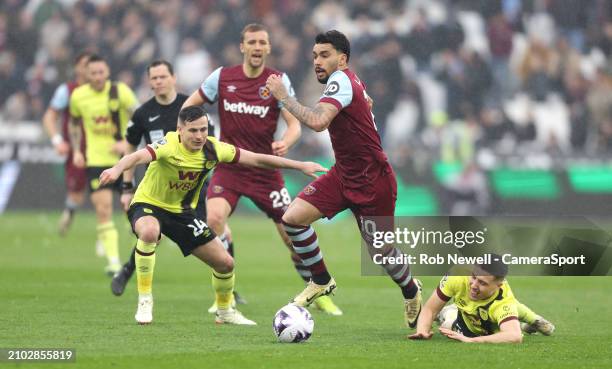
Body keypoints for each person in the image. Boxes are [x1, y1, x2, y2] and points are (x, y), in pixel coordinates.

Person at [98, 105, 328, 325]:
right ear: (180, 130)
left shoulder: (213, 148)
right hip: (148, 204)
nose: (199, 136)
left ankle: (225, 311)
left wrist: (299, 165)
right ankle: (145, 299)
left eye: (203, 129)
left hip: (181, 214)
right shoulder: (168, 144)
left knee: (225, 263)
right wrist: (117, 169)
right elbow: (137, 156)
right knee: (149, 231)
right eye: (193, 131)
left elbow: (257, 159)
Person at [265, 30, 422, 328]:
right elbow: (365, 104)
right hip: (344, 173)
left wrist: (284, 98)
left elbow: (318, 122)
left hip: (373, 180)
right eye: (314, 56)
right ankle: (321, 280)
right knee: (293, 218)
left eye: (325, 55)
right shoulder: (350, 81)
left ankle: (411, 291)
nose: (317, 62)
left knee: (381, 252)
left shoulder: (341, 80)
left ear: (342, 59)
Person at [182, 23, 342, 315]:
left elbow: (294, 125)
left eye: (262, 42)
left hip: (265, 171)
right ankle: (226, 296)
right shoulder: (222, 77)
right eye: (252, 42)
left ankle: (316, 289)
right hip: (229, 167)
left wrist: (286, 141)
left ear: (268, 48)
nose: (257, 47)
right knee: (214, 218)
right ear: (243, 46)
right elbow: (189, 108)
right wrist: (197, 136)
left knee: (290, 234)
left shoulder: (277, 81)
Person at [109, 60, 241, 299]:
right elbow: (131, 147)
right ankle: (128, 270)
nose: (158, 82)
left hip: (193, 187)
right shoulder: (143, 113)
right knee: (152, 234)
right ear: (149, 82)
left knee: (219, 230)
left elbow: (210, 148)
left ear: (173, 78)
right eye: (154, 78)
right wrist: (126, 187)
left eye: (163, 77)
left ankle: (230, 291)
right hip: (160, 187)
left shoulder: (190, 108)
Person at [69, 54, 139, 275]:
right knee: (103, 209)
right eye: (93, 73)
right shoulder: (78, 96)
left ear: (107, 72)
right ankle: (114, 262)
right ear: (86, 75)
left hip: (123, 160)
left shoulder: (121, 91)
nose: (98, 77)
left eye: (101, 72)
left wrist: (126, 141)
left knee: (130, 208)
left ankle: (141, 242)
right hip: (96, 161)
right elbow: (73, 124)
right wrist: (76, 150)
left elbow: (140, 118)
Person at [408, 260, 555, 343]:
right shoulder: (458, 274)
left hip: (486, 317)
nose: (473, 285)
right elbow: (430, 309)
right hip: (474, 311)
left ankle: (530, 320)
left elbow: (514, 336)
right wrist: (422, 330)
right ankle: (531, 320)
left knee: (449, 325)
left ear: (498, 285)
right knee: (497, 322)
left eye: (482, 283)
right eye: (474, 277)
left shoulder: (503, 301)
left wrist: (471, 341)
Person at [42, 51, 91, 237]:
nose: (89, 68)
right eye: (85, 64)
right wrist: (57, 140)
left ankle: (106, 237)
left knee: (104, 193)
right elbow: (50, 116)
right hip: (76, 148)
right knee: (76, 192)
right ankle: (69, 212)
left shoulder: (107, 91)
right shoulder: (67, 90)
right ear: (77, 68)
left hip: (102, 148)